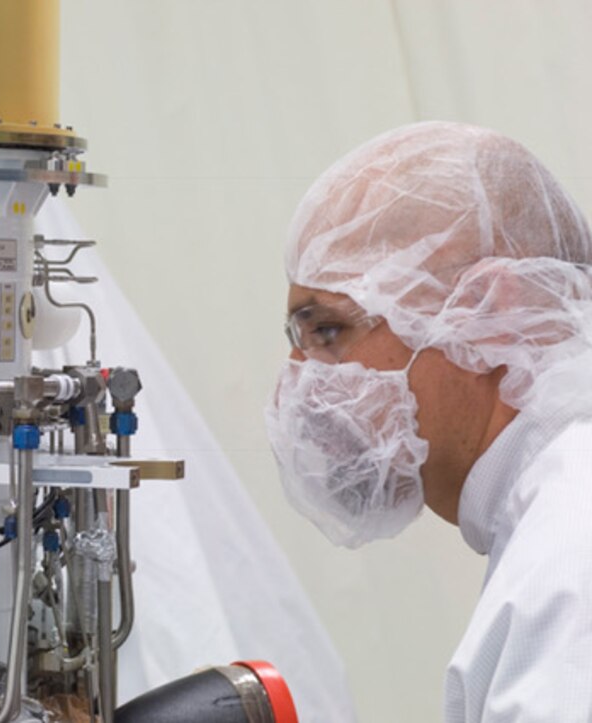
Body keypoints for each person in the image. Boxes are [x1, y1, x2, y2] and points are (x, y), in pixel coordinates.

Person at [265, 121, 592, 722]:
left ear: (493, 312)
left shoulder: (572, 554)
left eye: (328, 330)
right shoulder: (549, 518)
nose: (299, 380)